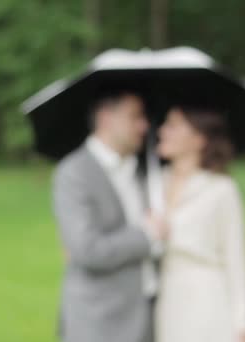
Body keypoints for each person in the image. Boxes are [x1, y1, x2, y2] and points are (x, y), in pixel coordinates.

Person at [52, 91, 167, 342]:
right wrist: (146, 237)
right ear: (106, 118)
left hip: (147, 318)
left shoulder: (145, 171)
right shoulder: (74, 173)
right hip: (98, 322)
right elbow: (87, 249)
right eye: (134, 116)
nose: (144, 125)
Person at [154, 106, 245, 342]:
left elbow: (236, 257)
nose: (162, 131)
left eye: (173, 125)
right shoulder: (154, 184)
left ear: (198, 139)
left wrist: (242, 323)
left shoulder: (220, 189)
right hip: (165, 299)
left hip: (207, 300)